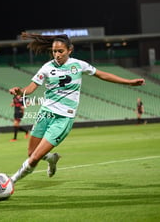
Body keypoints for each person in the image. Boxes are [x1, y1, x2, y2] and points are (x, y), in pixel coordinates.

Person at [9, 32, 145, 186]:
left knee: (33, 159)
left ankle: (9, 182)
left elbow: (103, 75)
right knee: (31, 153)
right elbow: (31, 88)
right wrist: (20, 91)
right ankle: (52, 159)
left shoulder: (79, 65)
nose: (57, 55)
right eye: (54, 51)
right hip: (44, 113)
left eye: (61, 51)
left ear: (69, 50)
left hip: (63, 118)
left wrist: (128, 82)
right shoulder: (47, 67)